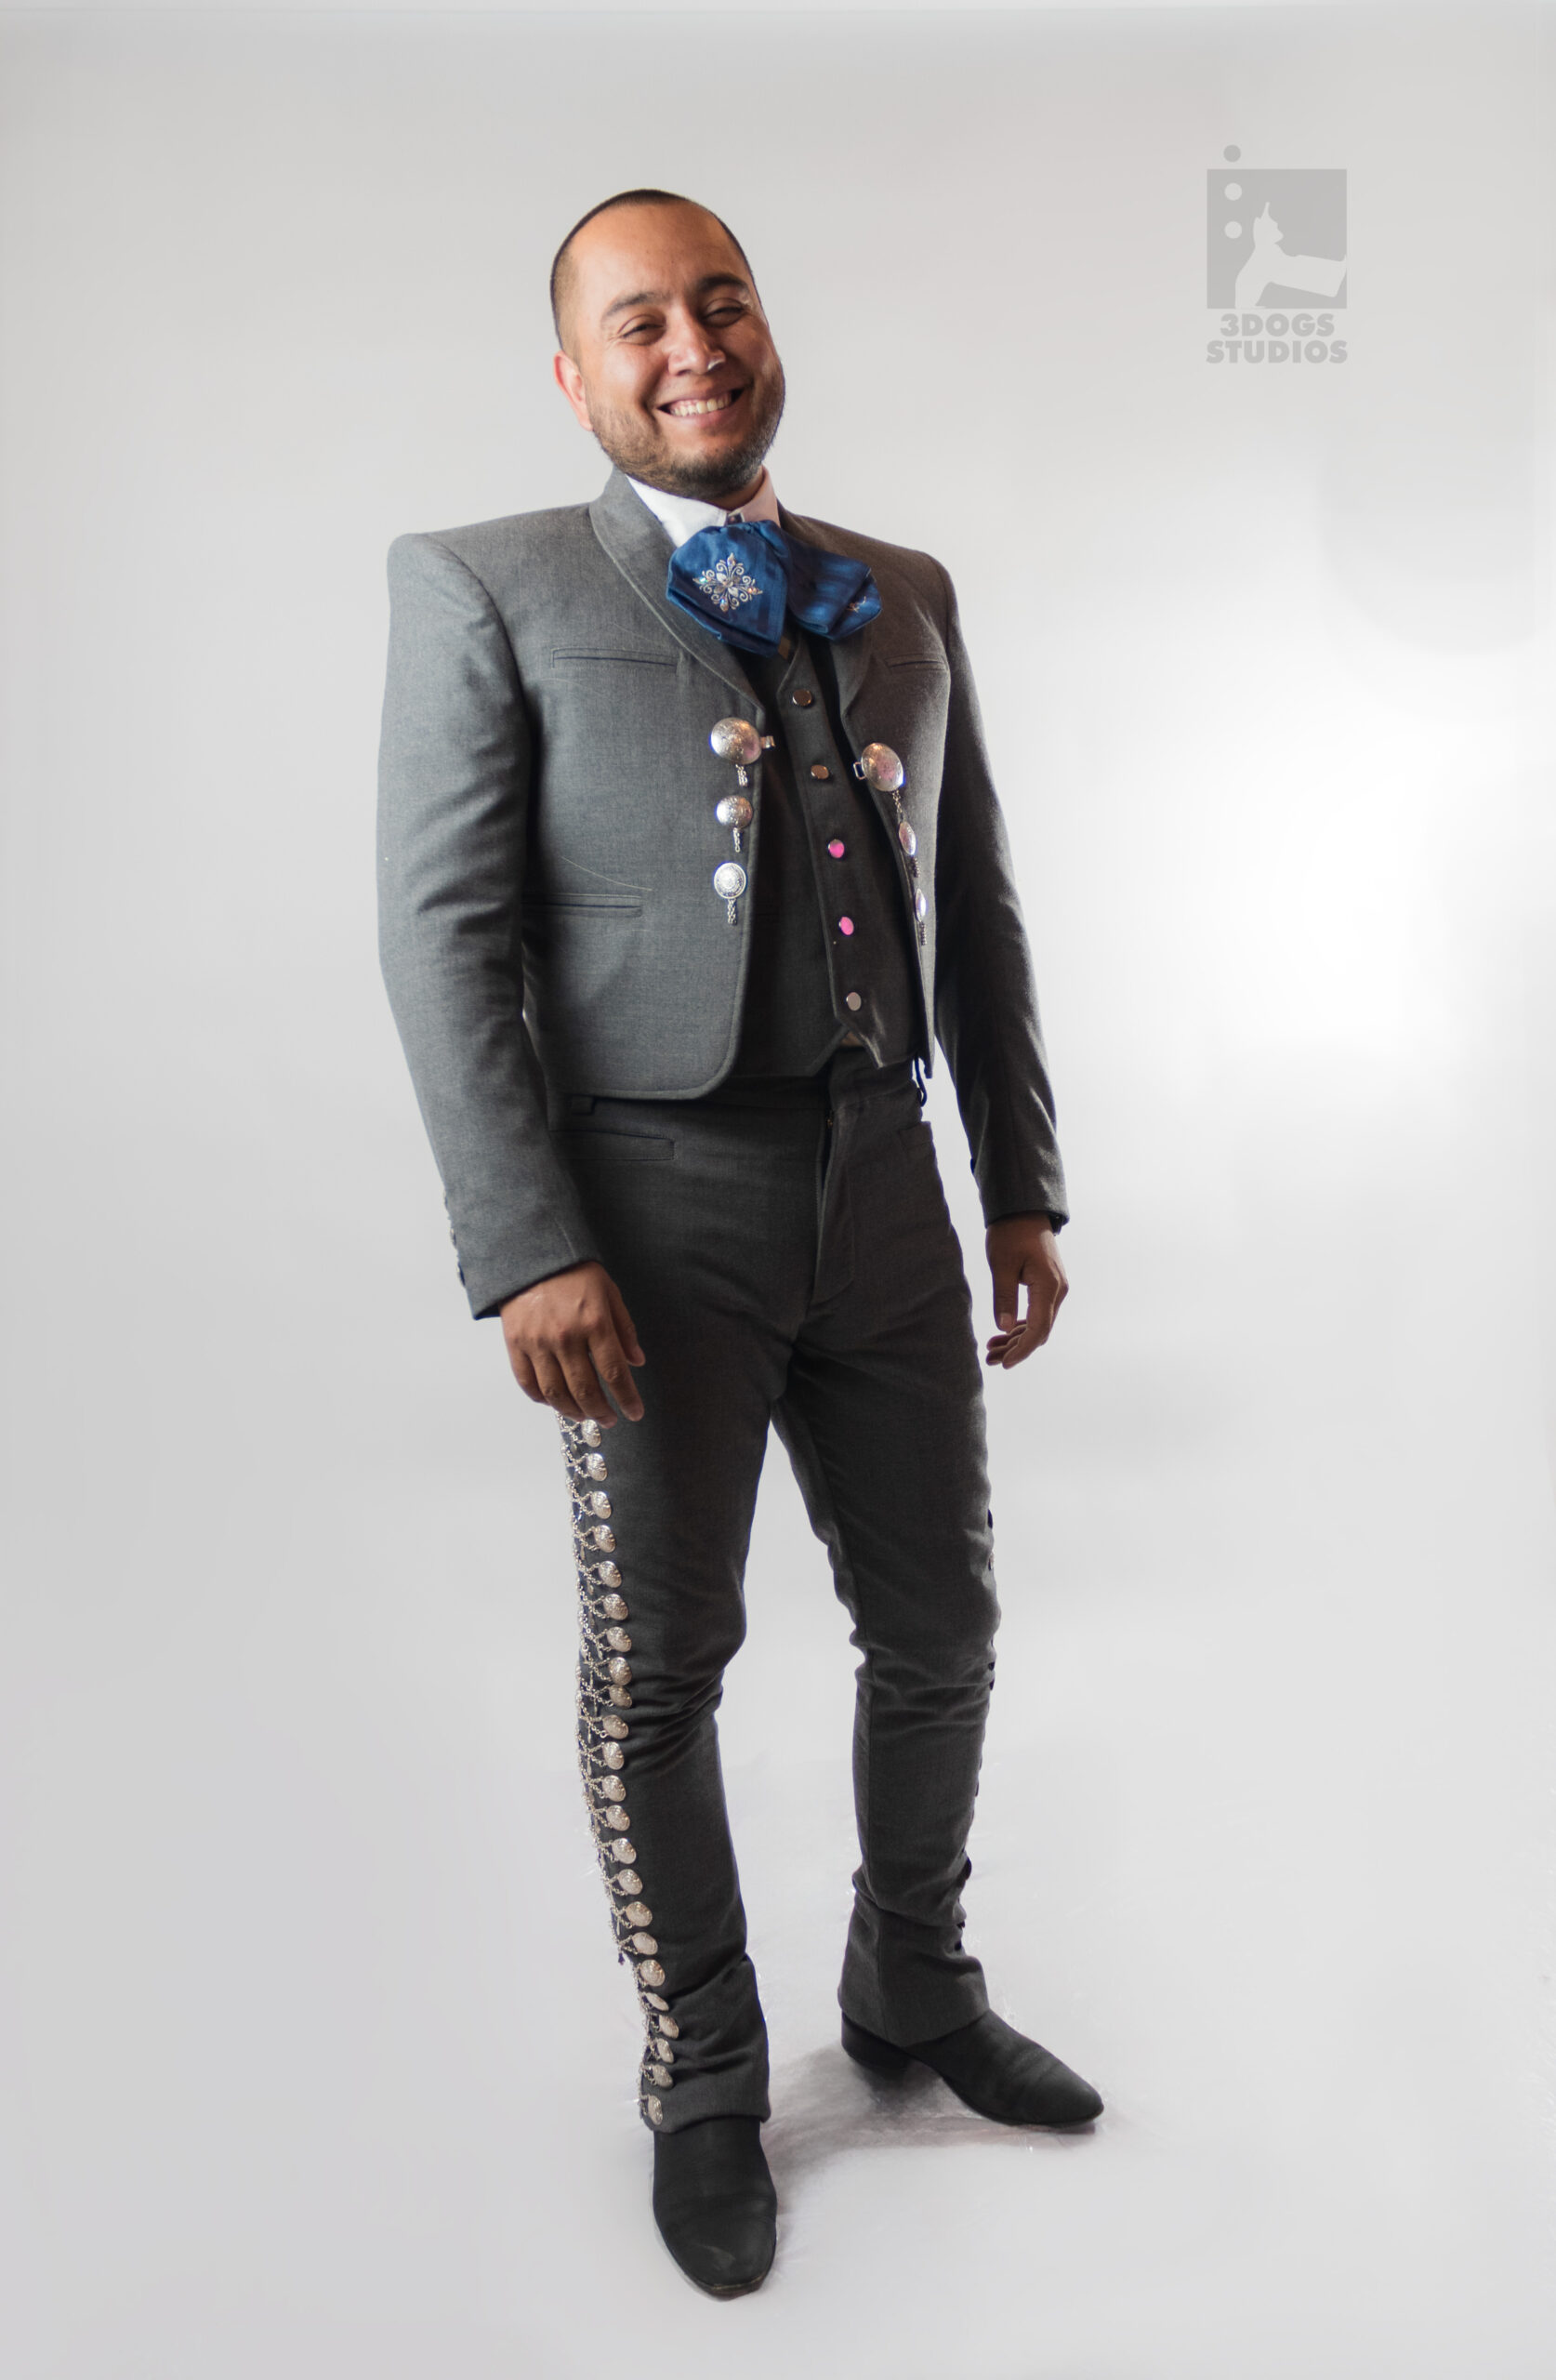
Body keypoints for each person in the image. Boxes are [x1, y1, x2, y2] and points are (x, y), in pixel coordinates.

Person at [376, 187, 1102, 2300]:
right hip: (644, 1208)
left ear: (768, 328)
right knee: (662, 1663)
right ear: (573, 375)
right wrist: (525, 1243)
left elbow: (979, 908)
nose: (691, 344)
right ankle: (704, 2070)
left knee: (943, 1625)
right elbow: (441, 935)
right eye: (639, 321)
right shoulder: (484, 583)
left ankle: (913, 1985)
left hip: (884, 1181)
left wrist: (1022, 1177)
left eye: (723, 301)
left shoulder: (906, 589)